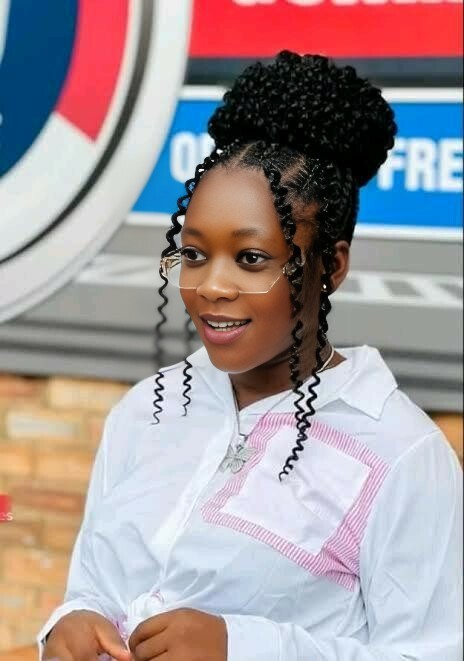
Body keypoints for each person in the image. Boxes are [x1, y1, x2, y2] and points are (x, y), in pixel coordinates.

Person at [38, 51, 463, 661]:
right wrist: (73, 621)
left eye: (251, 259)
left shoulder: (399, 456)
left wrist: (240, 647)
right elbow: (95, 587)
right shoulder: (148, 410)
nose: (212, 285)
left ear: (331, 266)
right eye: (193, 254)